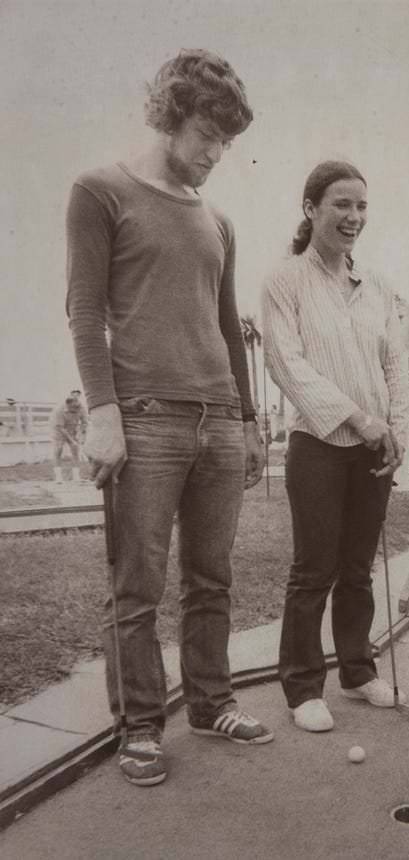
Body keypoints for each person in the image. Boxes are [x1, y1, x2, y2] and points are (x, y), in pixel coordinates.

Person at [65, 49, 273, 788]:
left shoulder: (219, 220)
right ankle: (142, 728)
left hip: (218, 419)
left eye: (226, 141)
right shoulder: (99, 191)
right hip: (145, 418)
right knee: (138, 584)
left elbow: (226, 324)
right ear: (169, 116)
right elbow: (85, 313)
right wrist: (101, 412)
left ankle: (212, 703)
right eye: (206, 135)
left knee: (211, 578)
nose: (216, 154)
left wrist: (246, 422)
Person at [261, 160, 409, 733]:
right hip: (318, 443)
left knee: (357, 570)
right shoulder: (285, 280)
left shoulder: (379, 288)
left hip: (374, 448)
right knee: (314, 568)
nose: (353, 217)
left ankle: (357, 671)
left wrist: (394, 433)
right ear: (311, 210)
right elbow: (286, 365)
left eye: (361, 207)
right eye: (341, 205)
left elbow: (396, 365)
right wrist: (358, 419)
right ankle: (302, 687)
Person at [49, 395, 87, 482]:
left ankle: (76, 477)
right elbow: (61, 428)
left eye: (77, 407)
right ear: (68, 405)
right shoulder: (59, 410)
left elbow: (84, 422)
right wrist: (72, 440)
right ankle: (58, 477)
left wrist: (81, 434)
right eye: (73, 408)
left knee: (75, 452)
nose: (76, 410)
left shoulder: (81, 408)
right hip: (59, 431)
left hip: (73, 430)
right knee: (58, 450)